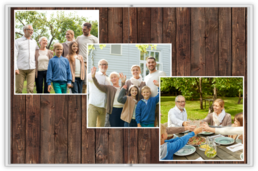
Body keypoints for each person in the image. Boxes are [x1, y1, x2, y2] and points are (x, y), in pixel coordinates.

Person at [76, 22, 99, 93]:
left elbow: (97, 51)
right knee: (80, 82)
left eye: (85, 29)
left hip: (88, 63)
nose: (83, 31)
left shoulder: (94, 39)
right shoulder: (78, 38)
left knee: (86, 83)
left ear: (89, 29)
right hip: (79, 63)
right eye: (83, 29)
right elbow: (75, 49)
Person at [15, 24, 38, 93]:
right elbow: (14, 55)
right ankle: (18, 103)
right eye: (30, 30)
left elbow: (38, 51)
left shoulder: (34, 41)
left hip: (32, 69)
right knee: (19, 89)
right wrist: (15, 68)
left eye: (32, 30)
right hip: (20, 69)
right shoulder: (17, 41)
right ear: (25, 30)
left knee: (30, 90)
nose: (32, 31)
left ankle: (29, 104)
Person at [87, 59, 110, 127]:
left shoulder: (108, 78)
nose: (104, 66)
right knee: (91, 126)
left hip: (103, 107)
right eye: (102, 64)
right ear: (98, 66)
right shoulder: (93, 74)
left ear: (107, 66)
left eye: (105, 64)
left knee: (101, 128)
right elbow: (85, 79)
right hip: (94, 105)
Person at [144, 56, 166, 127]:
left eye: (152, 62)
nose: (151, 64)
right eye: (149, 62)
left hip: (159, 104)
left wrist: (159, 84)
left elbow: (165, 87)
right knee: (152, 125)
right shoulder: (146, 77)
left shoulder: (161, 73)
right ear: (146, 64)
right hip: (150, 104)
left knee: (161, 126)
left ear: (155, 63)